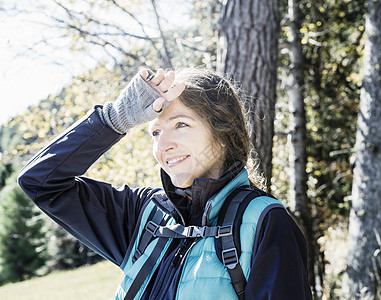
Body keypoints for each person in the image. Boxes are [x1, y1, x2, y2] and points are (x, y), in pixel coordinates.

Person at [18, 67, 312, 299]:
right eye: (156, 132)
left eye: (181, 125)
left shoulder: (265, 222)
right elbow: (41, 182)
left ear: (222, 135)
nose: (164, 145)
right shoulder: (142, 214)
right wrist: (114, 119)